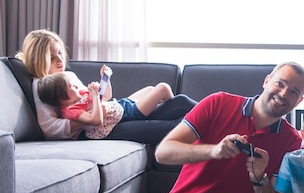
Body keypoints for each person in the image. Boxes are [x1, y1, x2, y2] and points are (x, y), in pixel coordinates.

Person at [118, 61, 304, 193]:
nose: (283, 93)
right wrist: (214, 151)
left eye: (293, 91)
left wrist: (259, 178)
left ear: (298, 101)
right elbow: (163, 152)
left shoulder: (291, 140)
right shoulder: (218, 103)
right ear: (266, 81)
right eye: (280, 83)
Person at [15, 29, 196, 145]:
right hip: (102, 131)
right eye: (52, 57)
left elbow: (97, 98)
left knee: (179, 102)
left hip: (113, 115)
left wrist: (101, 93)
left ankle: (217, 114)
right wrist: (87, 118)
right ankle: (212, 124)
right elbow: (50, 128)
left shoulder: (67, 75)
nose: (60, 59)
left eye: (60, 53)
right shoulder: (42, 86)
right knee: (172, 125)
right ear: (40, 59)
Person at [37, 69, 177, 140]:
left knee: (151, 89)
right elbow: (96, 120)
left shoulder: (80, 95)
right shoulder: (71, 110)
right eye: (71, 86)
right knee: (162, 88)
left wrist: (105, 78)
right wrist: (95, 97)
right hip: (129, 115)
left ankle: (166, 108)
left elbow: (107, 96)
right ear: (61, 98)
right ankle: (172, 107)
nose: (75, 85)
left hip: (121, 104)